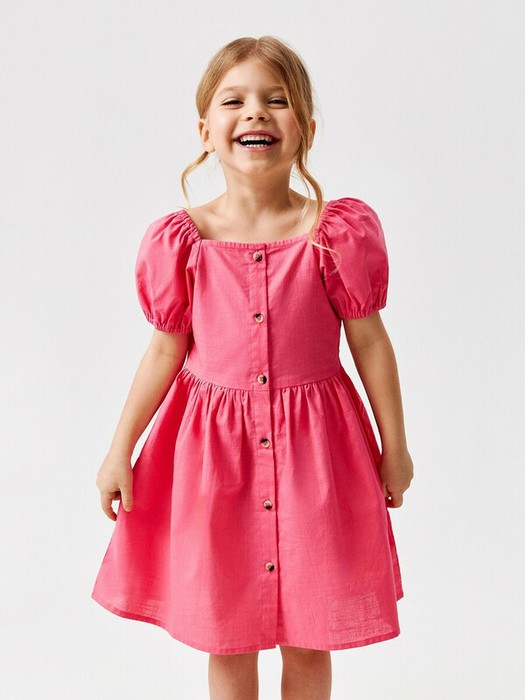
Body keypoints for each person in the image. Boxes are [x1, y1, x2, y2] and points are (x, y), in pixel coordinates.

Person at [91, 35, 414, 700]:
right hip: (215, 464)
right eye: (234, 101)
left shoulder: (334, 234)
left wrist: (395, 446)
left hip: (317, 457)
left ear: (307, 129)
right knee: (227, 636)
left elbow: (370, 343)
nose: (256, 113)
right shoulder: (181, 242)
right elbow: (164, 349)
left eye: (277, 100)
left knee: (311, 635)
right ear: (205, 132)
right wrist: (119, 449)